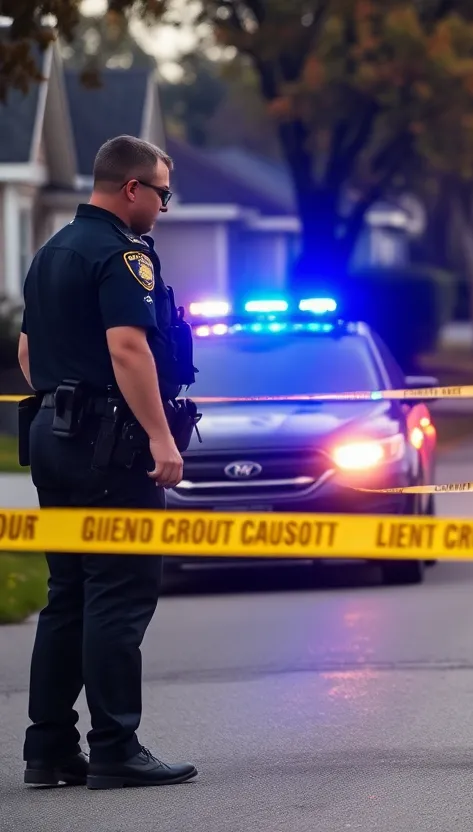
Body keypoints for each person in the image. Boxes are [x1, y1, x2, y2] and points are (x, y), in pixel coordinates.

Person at [17, 135, 198, 790]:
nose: (165, 208)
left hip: (51, 439)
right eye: (162, 193)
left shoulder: (51, 253)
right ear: (132, 189)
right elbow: (128, 349)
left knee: (67, 593)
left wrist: (60, 402)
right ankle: (116, 745)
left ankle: (49, 749)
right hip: (107, 449)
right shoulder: (122, 256)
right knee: (118, 591)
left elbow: (29, 352)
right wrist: (160, 438)